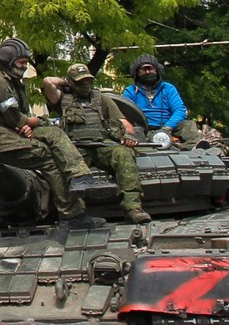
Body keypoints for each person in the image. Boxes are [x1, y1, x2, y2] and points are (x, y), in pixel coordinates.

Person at [0, 37, 102, 229]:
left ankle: (80, 177)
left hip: (6, 131)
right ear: (8, 60)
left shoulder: (8, 80)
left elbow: (16, 118)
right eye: (21, 63)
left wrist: (25, 124)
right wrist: (35, 122)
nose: (24, 67)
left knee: (53, 134)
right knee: (46, 155)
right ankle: (72, 215)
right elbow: (14, 117)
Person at [42, 64, 149, 223]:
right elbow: (47, 82)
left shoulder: (101, 99)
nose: (85, 85)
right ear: (71, 82)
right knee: (64, 168)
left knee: (124, 154)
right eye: (80, 81)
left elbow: (124, 123)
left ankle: (133, 208)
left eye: (88, 81)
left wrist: (127, 135)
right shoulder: (62, 99)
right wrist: (67, 84)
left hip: (102, 145)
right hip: (75, 149)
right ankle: (77, 215)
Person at [123, 54, 201, 146]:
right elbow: (126, 114)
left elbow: (180, 110)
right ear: (137, 72)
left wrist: (167, 128)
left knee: (189, 125)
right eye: (143, 69)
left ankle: (193, 147)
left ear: (157, 70)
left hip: (168, 127)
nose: (147, 72)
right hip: (142, 130)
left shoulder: (168, 88)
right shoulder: (130, 91)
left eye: (150, 69)